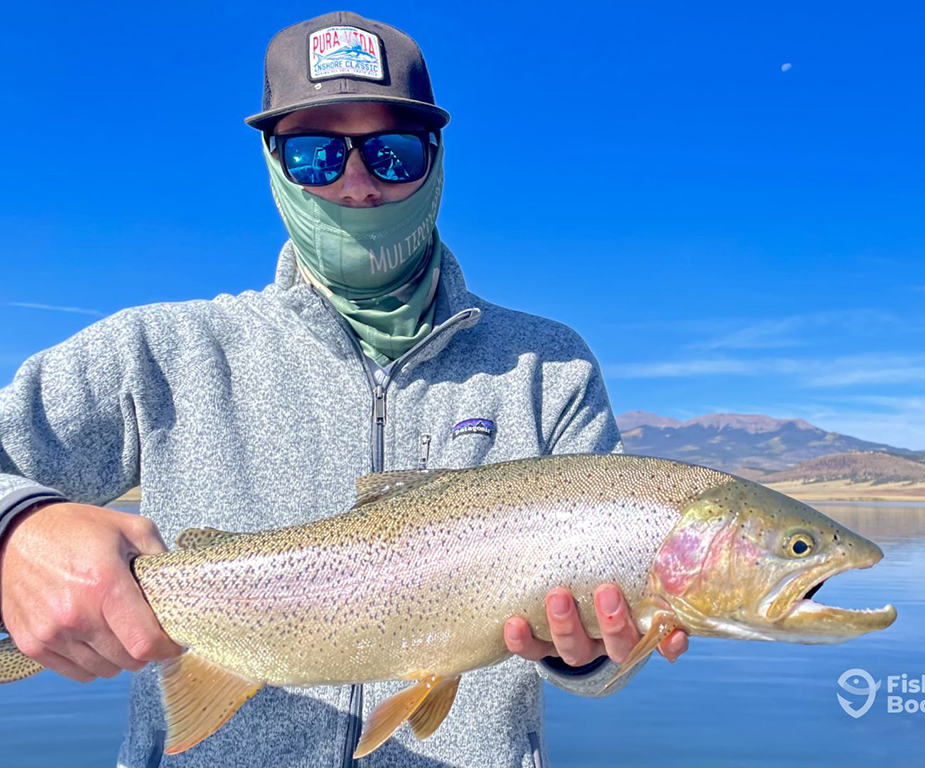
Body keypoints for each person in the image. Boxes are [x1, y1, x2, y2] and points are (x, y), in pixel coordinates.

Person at [0, 11, 686, 767]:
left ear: (436, 160)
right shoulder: (156, 352)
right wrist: (16, 530)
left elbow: (602, 657)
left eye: (392, 153)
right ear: (272, 161)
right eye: (317, 153)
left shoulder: (550, 367)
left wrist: (587, 652)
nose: (357, 184)